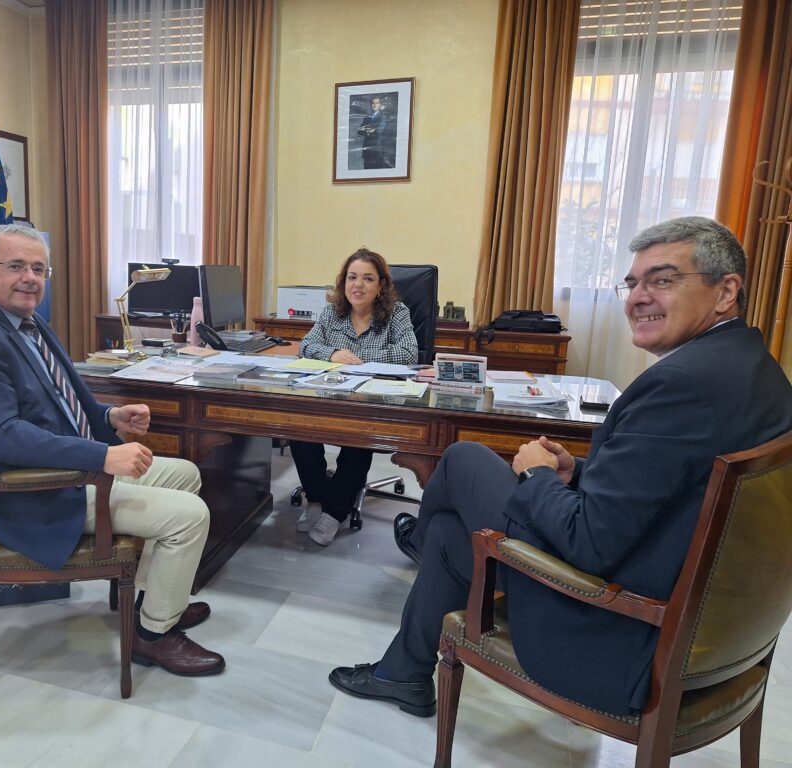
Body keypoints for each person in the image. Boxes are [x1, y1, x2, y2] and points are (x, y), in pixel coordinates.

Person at [330, 216, 792, 717]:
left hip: (613, 630)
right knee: (447, 532)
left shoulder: (681, 384)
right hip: (687, 606)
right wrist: (583, 472)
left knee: (463, 459)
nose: (637, 297)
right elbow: (668, 478)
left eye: (662, 280)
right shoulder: (754, 368)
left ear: (726, 291)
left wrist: (539, 475)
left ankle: (415, 547)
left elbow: (588, 542)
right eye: (632, 283)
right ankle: (402, 672)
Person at [0, 223, 225, 677]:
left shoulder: (27, 323)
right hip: (28, 495)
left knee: (186, 473)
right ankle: (153, 637)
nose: (29, 278)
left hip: (64, 473)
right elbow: (3, 437)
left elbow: (62, 397)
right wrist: (101, 457)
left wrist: (111, 418)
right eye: (15, 266)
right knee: (190, 517)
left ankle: (149, 603)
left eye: (38, 268)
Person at [291, 248, 418, 546]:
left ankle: (335, 512)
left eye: (367, 278)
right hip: (331, 396)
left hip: (374, 402)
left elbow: (409, 353)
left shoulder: (396, 313)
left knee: (360, 438)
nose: (357, 285)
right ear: (343, 282)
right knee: (297, 429)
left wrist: (356, 357)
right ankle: (319, 499)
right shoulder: (333, 311)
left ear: (381, 286)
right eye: (352, 277)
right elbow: (306, 346)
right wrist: (333, 354)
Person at [358, 97, 389, 169]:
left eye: (377, 103)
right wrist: (369, 131)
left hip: (377, 151)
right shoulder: (367, 118)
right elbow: (359, 131)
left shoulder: (383, 116)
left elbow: (378, 131)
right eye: (373, 103)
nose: (374, 105)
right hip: (367, 152)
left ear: (380, 105)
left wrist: (366, 131)